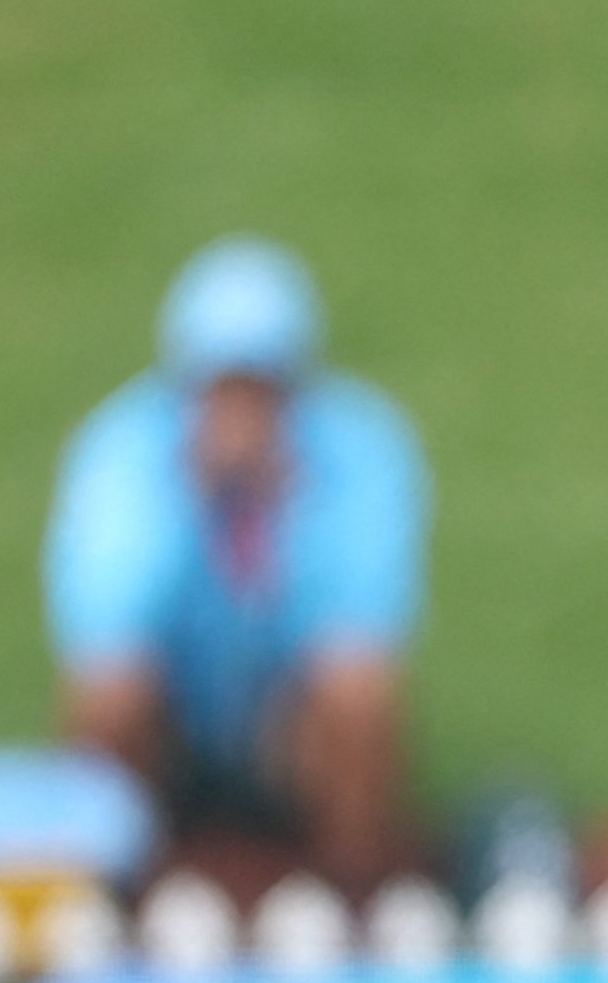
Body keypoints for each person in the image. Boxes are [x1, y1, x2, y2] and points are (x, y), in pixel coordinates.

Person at [45, 238, 427, 894]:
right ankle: (115, 902)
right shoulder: (120, 451)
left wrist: (290, 508)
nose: (243, 411)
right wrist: (188, 504)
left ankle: (353, 901)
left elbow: (366, 620)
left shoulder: (364, 448)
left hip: (289, 727)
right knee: (111, 693)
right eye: (223, 387)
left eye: (262, 388)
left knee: (359, 691)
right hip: (175, 727)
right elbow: (104, 622)